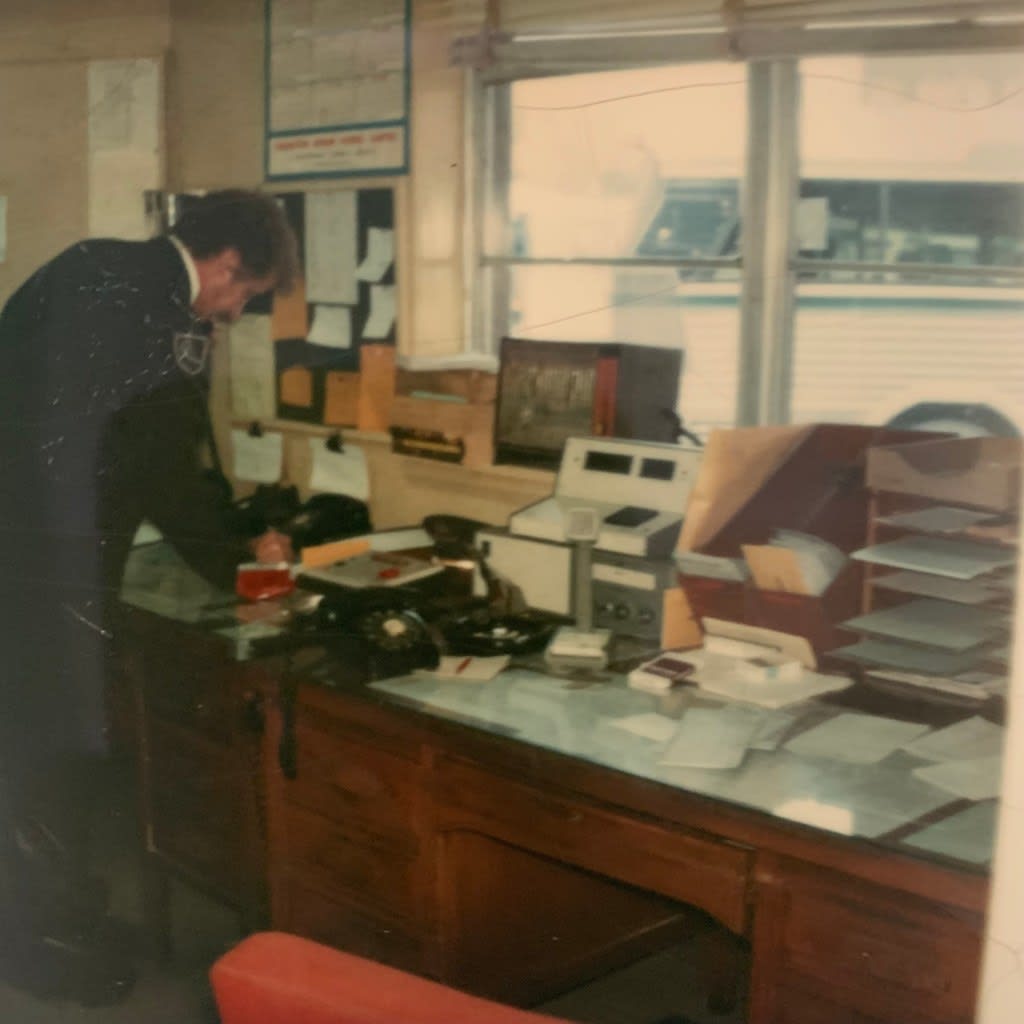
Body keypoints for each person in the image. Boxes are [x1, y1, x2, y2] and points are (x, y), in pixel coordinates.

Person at [0, 189, 299, 1000]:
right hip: (47, 572)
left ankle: (51, 911)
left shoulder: (90, 263)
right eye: (243, 295)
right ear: (226, 266)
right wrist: (248, 565)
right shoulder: (168, 320)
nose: (233, 313)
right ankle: (34, 946)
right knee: (51, 750)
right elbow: (168, 478)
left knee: (26, 748)